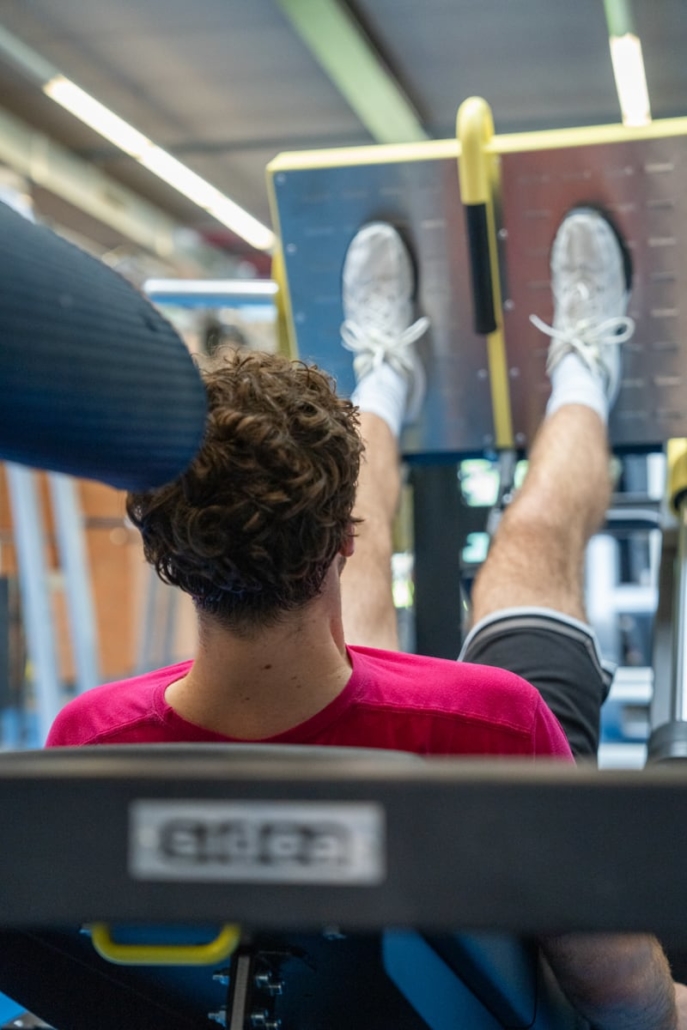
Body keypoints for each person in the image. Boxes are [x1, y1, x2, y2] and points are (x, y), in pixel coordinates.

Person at [47, 209, 686, 1028]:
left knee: (362, 674)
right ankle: (579, 371)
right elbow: (621, 997)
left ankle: (385, 381)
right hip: (462, 852)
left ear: (161, 546)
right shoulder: (492, 723)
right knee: (532, 545)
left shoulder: (88, 746)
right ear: (337, 542)